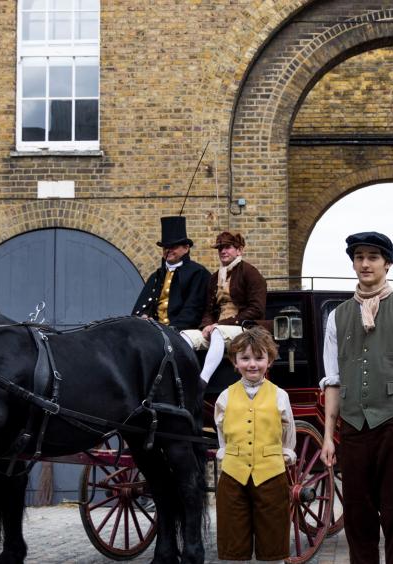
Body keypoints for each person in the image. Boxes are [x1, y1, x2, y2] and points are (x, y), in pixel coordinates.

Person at [319, 232, 393, 564]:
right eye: (359, 257)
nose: (365, 263)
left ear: (388, 263)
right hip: (354, 425)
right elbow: (334, 382)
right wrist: (328, 436)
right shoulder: (337, 316)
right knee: (357, 515)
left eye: (372, 257)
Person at [214, 326, 295, 561]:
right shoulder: (225, 397)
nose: (252, 364)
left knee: (273, 544)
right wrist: (227, 455)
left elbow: (288, 433)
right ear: (235, 362)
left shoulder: (280, 395)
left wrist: (285, 456)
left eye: (259, 358)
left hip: (271, 476)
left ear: (269, 361)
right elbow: (223, 433)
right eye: (245, 358)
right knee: (234, 545)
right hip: (233, 477)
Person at [181, 231, 267, 383]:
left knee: (218, 333)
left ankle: (203, 380)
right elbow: (208, 309)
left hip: (245, 328)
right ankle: (185, 380)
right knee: (184, 336)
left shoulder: (250, 273)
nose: (223, 251)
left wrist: (218, 325)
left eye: (228, 247)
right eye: (220, 248)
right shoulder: (215, 277)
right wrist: (207, 325)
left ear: (239, 250)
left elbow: (256, 309)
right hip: (217, 329)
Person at [132, 216, 209, 330]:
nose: (168, 250)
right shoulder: (157, 276)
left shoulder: (198, 273)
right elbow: (142, 307)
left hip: (184, 331)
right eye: (165, 247)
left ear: (186, 248)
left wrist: (172, 329)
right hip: (155, 330)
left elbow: (193, 311)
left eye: (174, 246)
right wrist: (144, 316)